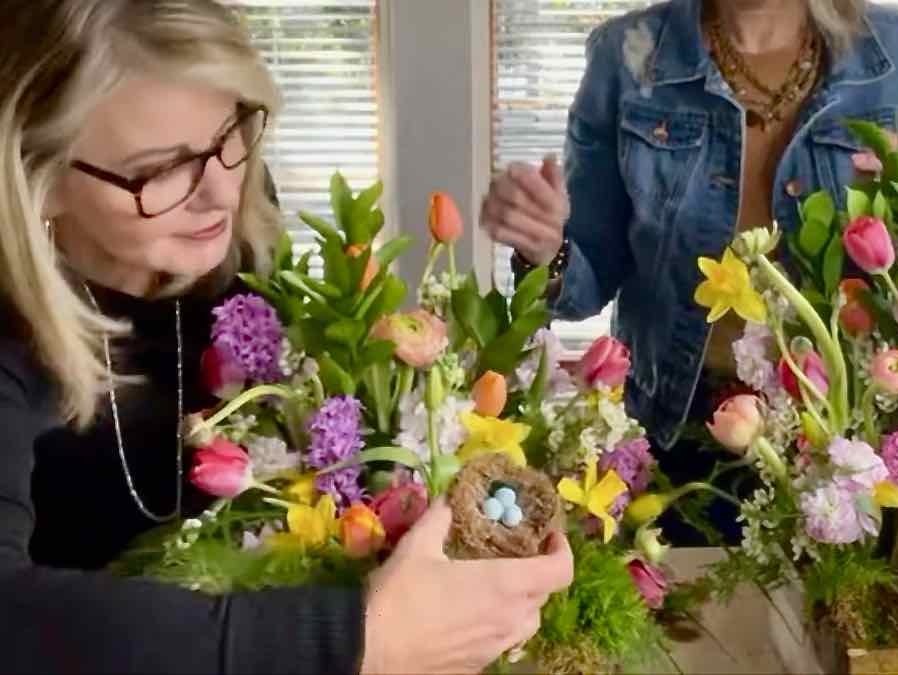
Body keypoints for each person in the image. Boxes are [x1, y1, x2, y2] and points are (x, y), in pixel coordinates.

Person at [0, 1, 573, 673]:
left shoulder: (232, 234)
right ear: (39, 180)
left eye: (231, 131)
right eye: (161, 168)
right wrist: (357, 637)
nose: (220, 191)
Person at [481, 0, 898, 545]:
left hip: (851, 444)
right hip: (678, 433)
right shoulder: (627, 57)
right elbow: (584, 282)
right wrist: (546, 250)